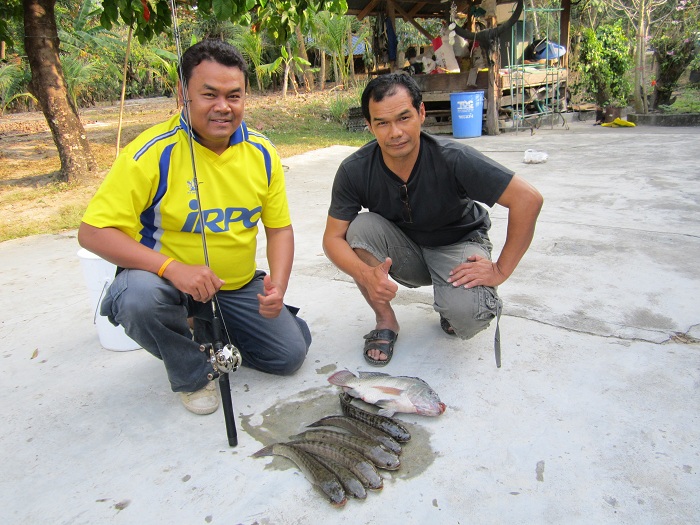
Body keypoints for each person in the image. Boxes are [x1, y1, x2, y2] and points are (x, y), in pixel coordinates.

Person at [78, 39, 311, 414]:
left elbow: (280, 229)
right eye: (209, 94)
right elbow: (92, 232)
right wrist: (174, 269)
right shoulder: (151, 152)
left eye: (234, 96)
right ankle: (192, 372)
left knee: (289, 355)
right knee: (138, 300)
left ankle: (205, 333)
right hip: (165, 283)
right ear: (181, 95)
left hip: (235, 284)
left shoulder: (263, 153)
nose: (223, 107)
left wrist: (278, 286)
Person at [322, 73, 543, 366]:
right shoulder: (355, 170)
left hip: (458, 244)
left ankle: (450, 306)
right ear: (369, 125)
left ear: (421, 113)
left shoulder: (453, 157)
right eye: (382, 123)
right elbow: (332, 238)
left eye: (404, 118)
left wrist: (500, 270)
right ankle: (385, 320)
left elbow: (528, 200)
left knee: (468, 317)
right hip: (404, 251)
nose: (395, 132)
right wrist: (365, 275)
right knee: (358, 228)